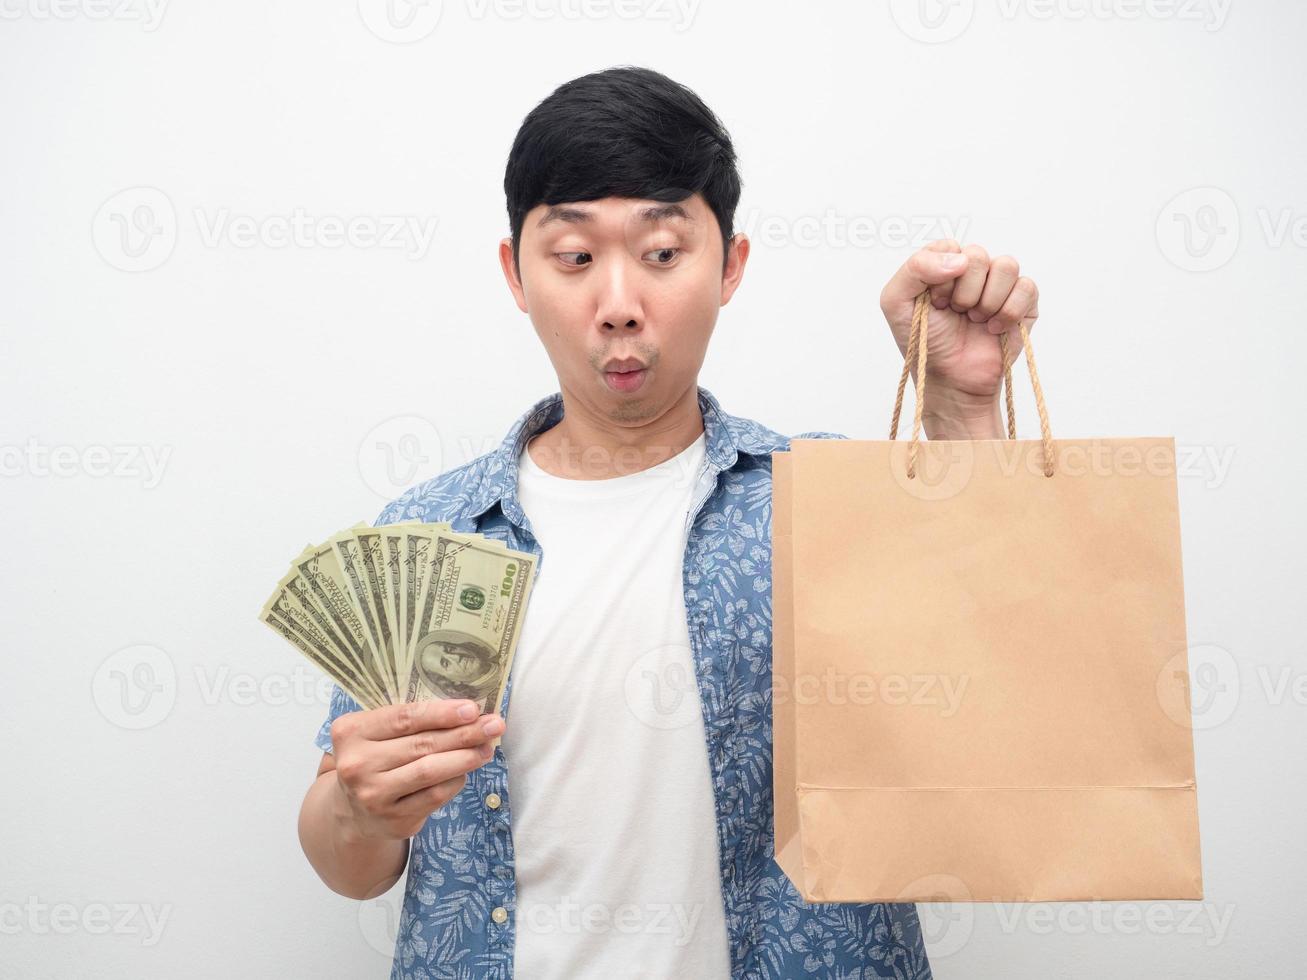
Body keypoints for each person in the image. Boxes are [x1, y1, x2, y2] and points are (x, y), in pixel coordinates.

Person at [297, 64, 1040, 980]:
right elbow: (350, 867)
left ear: (729, 265)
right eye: (573, 258)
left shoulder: (823, 504)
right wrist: (361, 811)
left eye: (661, 254)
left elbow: (1008, 701)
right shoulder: (436, 537)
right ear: (514, 273)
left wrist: (962, 412)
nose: (617, 305)